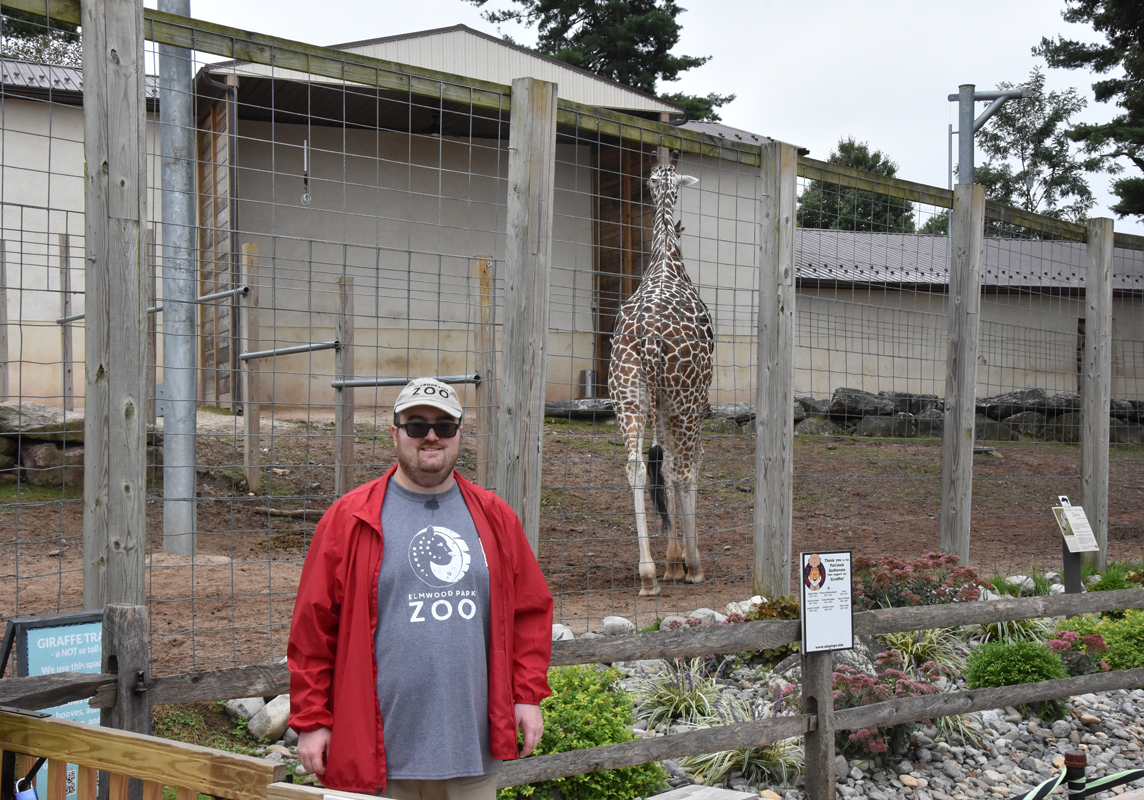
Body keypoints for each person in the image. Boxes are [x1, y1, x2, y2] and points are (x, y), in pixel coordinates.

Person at [288, 377, 553, 800]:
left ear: (459, 434)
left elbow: (530, 614)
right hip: (378, 759)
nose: (431, 436)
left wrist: (527, 696)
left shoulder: (495, 517)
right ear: (394, 433)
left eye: (444, 426)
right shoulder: (349, 519)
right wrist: (313, 721)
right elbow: (312, 632)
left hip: (472, 756)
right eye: (416, 425)